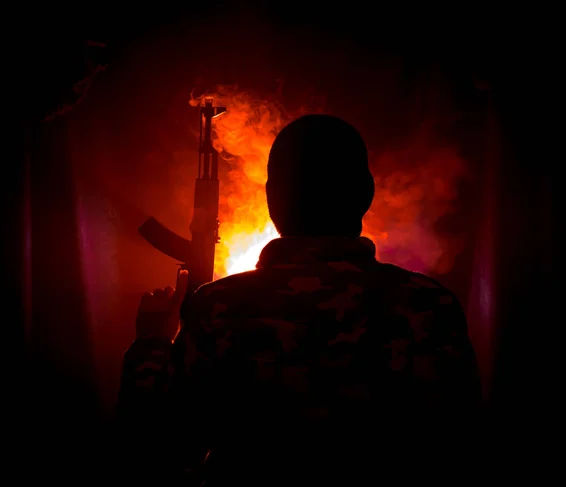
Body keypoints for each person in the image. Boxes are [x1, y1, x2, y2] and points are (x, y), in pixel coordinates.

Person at [118, 114, 482, 486]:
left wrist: (151, 342)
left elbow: (159, 448)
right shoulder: (428, 306)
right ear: (366, 193)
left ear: (271, 196)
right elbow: (460, 448)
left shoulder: (217, 308)